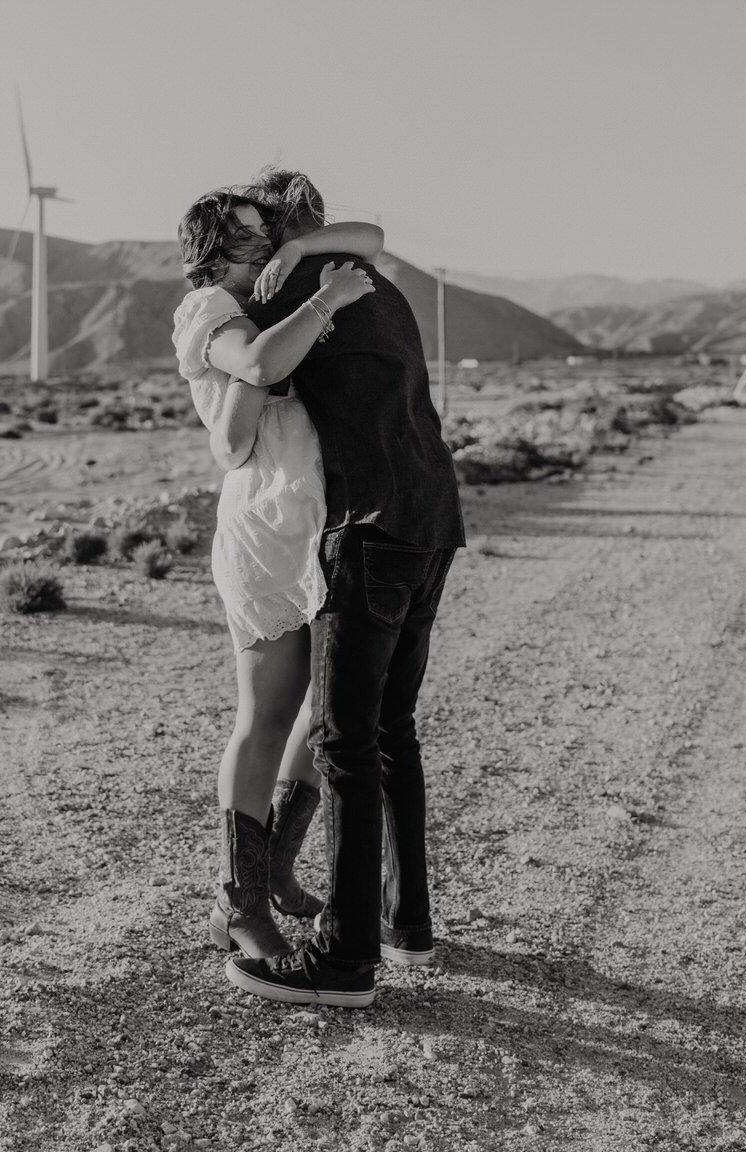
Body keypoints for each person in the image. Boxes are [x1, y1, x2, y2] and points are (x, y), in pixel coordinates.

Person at [223, 169, 466, 1008]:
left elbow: (250, 381)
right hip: (434, 515)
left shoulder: (293, 288)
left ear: (282, 237)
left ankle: (344, 957)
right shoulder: (377, 286)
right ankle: (408, 928)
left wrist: (269, 274)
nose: (250, 254)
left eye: (257, 236)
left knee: (342, 742)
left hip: (367, 525)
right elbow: (371, 235)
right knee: (390, 729)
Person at [173, 189, 384, 963]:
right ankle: (238, 903)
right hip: (264, 525)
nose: (264, 253)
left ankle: (279, 869)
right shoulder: (205, 311)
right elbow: (257, 368)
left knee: (318, 713)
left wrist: (301, 256)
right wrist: (326, 297)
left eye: (269, 240)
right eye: (251, 242)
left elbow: (373, 234)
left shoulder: (277, 292)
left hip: (321, 520)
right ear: (212, 249)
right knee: (266, 714)